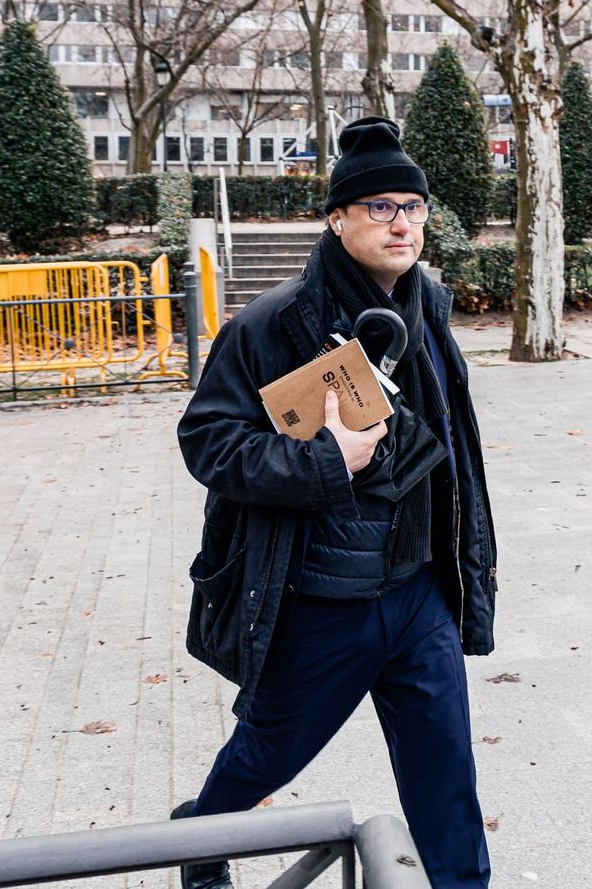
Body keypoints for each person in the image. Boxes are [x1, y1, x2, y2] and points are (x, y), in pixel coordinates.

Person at [173, 116, 498, 889]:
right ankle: (198, 841)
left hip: (421, 589)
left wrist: (467, 569)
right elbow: (206, 442)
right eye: (381, 206)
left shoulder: (432, 309)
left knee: (446, 770)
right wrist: (323, 463)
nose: (402, 223)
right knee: (265, 754)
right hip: (323, 598)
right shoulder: (271, 324)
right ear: (336, 217)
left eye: (413, 207)